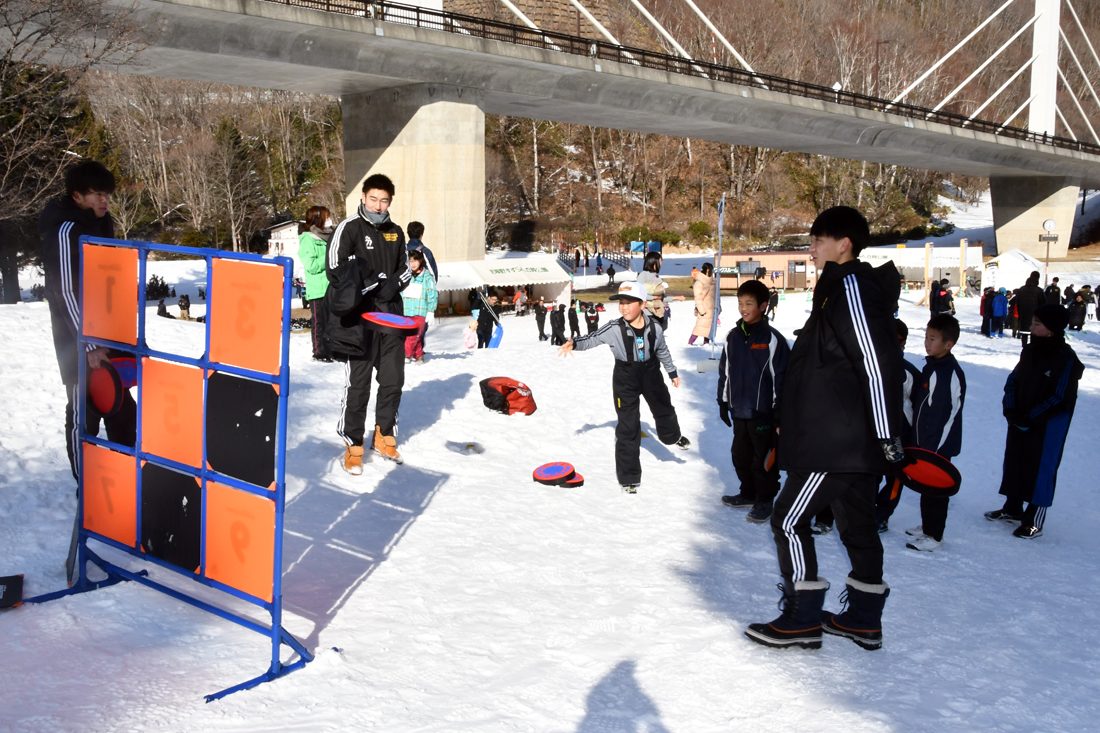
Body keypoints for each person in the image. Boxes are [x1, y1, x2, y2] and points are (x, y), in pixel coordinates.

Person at [745, 206, 902, 652]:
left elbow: (875, 363)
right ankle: (863, 620)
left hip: (838, 439)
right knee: (856, 525)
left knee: (788, 520)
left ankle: (801, 617)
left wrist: (888, 436)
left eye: (817, 239)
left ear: (844, 244)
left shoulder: (850, 287)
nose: (810, 248)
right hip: (845, 437)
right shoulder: (837, 291)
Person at [41, 160, 138, 486]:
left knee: (122, 407)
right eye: (96, 194)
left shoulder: (101, 222)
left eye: (106, 194)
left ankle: (120, 478)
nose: (104, 200)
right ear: (77, 195)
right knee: (84, 411)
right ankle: (89, 486)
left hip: (110, 333)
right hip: (78, 338)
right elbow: (64, 291)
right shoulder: (66, 229)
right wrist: (90, 344)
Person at [559, 281, 690, 492]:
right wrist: (574, 343)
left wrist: (672, 372)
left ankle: (672, 437)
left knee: (664, 408)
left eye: (629, 303)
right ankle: (629, 477)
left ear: (643, 304)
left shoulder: (655, 328)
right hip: (625, 377)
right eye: (621, 302)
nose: (624, 307)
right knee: (628, 426)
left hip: (651, 373)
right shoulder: (614, 328)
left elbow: (662, 350)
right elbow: (592, 339)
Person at [326, 173, 411, 472]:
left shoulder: (396, 232)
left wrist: (393, 286)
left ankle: (384, 434)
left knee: (393, 380)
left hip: (391, 317)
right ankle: (353, 443)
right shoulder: (349, 228)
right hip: (358, 320)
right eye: (373, 198)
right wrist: (371, 284)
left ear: (390, 202)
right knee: (358, 385)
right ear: (363, 197)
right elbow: (335, 270)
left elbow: (407, 268)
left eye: (384, 200)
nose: (378, 205)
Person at [985, 304, 1083, 538]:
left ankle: (1034, 519)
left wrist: (1031, 416)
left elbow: (1059, 396)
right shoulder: (1029, 351)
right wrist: (1011, 408)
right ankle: (1012, 507)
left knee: (1042, 467)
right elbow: (1013, 380)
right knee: (1016, 459)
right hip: (1021, 416)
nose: (1031, 326)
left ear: (1051, 330)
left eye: (1037, 324)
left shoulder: (1066, 358)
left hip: (1050, 423)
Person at [717, 279, 790, 523]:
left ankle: (765, 499)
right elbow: (725, 371)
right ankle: (747, 493)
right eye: (740, 303)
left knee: (763, 460)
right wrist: (723, 401)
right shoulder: (733, 336)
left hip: (763, 413)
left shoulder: (772, 339)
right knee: (740, 455)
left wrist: (779, 414)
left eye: (749, 303)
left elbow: (782, 379)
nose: (743, 308)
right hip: (740, 410)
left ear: (763, 305)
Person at [899, 314, 966, 552]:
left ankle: (934, 535)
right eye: (926, 337)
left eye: (933, 339)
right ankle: (928, 525)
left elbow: (948, 414)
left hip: (938, 446)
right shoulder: (933, 367)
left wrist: (934, 449)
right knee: (927, 487)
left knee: (937, 489)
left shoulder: (947, 373)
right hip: (925, 443)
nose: (927, 343)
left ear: (948, 344)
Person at [875, 319, 922, 533]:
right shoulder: (870, 367)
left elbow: (918, 407)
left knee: (895, 476)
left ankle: (882, 514)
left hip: (898, 436)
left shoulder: (908, 372)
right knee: (870, 473)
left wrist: (914, 440)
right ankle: (866, 510)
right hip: (873, 433)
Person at [299, 205, 333, 362]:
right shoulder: (307, 239)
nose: (329, 220)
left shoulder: (328, 237)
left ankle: (331, 350)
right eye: (326, 217)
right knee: (319, 322)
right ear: (318, 219)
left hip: (330, 287)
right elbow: (311, 265)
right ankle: (319, 352)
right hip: (318, 288)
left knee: (332, 322)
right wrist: (329, 258)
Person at [401, 249, 437, 363]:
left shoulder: (427, 277)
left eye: (415, 260)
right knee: (411, 335)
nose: (413, 263)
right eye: (410, 261)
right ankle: (419, 355)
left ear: (420, 261)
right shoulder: (406, 275)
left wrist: (431, 310)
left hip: (420, 312)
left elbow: (432, 293)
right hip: (406, 311)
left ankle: (406, 355)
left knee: (413, 335)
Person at [1013, 271, 1046, 346]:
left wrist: (1020, 313)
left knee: (1024, 333)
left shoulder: (1021, 289)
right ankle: (1033, 348)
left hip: (1023, 315)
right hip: (1035, 316)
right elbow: (1043, 304)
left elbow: (1017, 302)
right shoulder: (1039, 290)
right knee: (1034, 333)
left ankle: (1024, 348)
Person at [689, 262, 715, 346]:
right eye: (711, 269)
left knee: (708, 329)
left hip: (712, 309)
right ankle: (690, 343)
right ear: (707, 270)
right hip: (704, 309)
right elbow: (698, 298)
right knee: (699, 327)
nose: (712, 271)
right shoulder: (699, 282)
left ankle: (706, 343)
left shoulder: (712, 282)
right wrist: (701, 310)